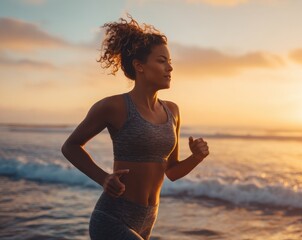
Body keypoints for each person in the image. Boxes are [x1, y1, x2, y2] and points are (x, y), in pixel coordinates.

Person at [61, 15, 209, 240]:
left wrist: (196, 157)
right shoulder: (115, 106)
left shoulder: (173, 111)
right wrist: (103, 178)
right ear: (139, 66)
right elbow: (70, 146)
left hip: (148, 220)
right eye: (162, 61)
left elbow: (172, 171)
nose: (170, 68)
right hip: (112, 218)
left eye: (170, 62)